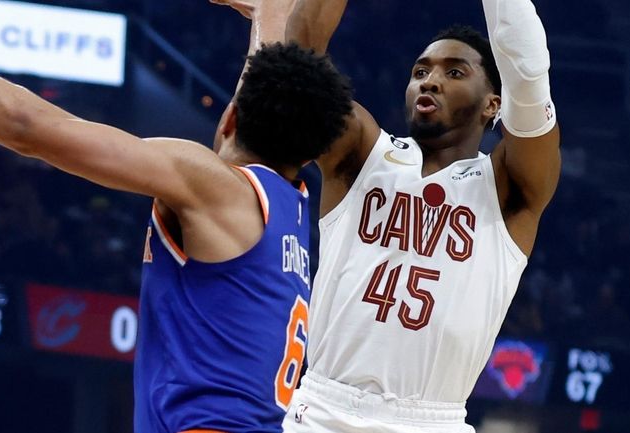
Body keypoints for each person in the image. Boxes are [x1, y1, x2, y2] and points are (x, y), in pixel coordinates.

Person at [0, 2, 352, 431]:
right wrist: (268, 15)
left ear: (229, 118)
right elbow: (276, 82)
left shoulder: (214, 185)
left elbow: (24, 126)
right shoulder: (291, 207)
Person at [219, 0, 561, 431]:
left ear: (493, 104)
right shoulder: (364, 152)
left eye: (454, 72)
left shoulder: (509, 185)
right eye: (420, 72)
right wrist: (277, 14)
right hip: (323, 407)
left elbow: (528, 74)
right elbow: (300, 60)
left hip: (431, 419)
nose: (430, 81)